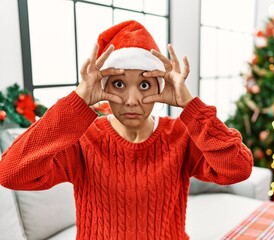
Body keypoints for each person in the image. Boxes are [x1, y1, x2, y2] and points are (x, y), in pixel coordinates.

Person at [0, 20, 253, 239]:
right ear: (102, 86)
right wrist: (77, 101)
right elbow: (10, 172)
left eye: (144, 85)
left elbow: (238, 169)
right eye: (119, 84)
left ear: (160, 87)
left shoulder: (180, 136)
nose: (131, 100)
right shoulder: (84, 140)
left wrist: (190, 105)